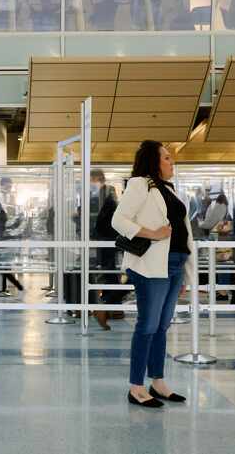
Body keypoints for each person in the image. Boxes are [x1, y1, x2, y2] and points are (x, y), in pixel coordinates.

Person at [111, 140, 195, 408]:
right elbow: (119, 220)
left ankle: (157, 382)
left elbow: (184, 234)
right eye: (167, 158)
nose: (172, 162)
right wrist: (152, 233)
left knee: (162, 326)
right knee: (147, 326)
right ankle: (136, 386)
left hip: (175, 264)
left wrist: (187, 276)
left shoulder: (169, 190)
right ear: (154, 161)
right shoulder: (140, 184)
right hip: (151, 265)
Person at [91, 170, 124, 330]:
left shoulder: (105, 194)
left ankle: (110, 305)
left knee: (109, 271)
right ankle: (112, 306)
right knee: (110, 272)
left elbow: (102, 219)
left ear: (97, 179)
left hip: (107, 239)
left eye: (92, 180)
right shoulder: (108, 194)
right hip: (108, 238)